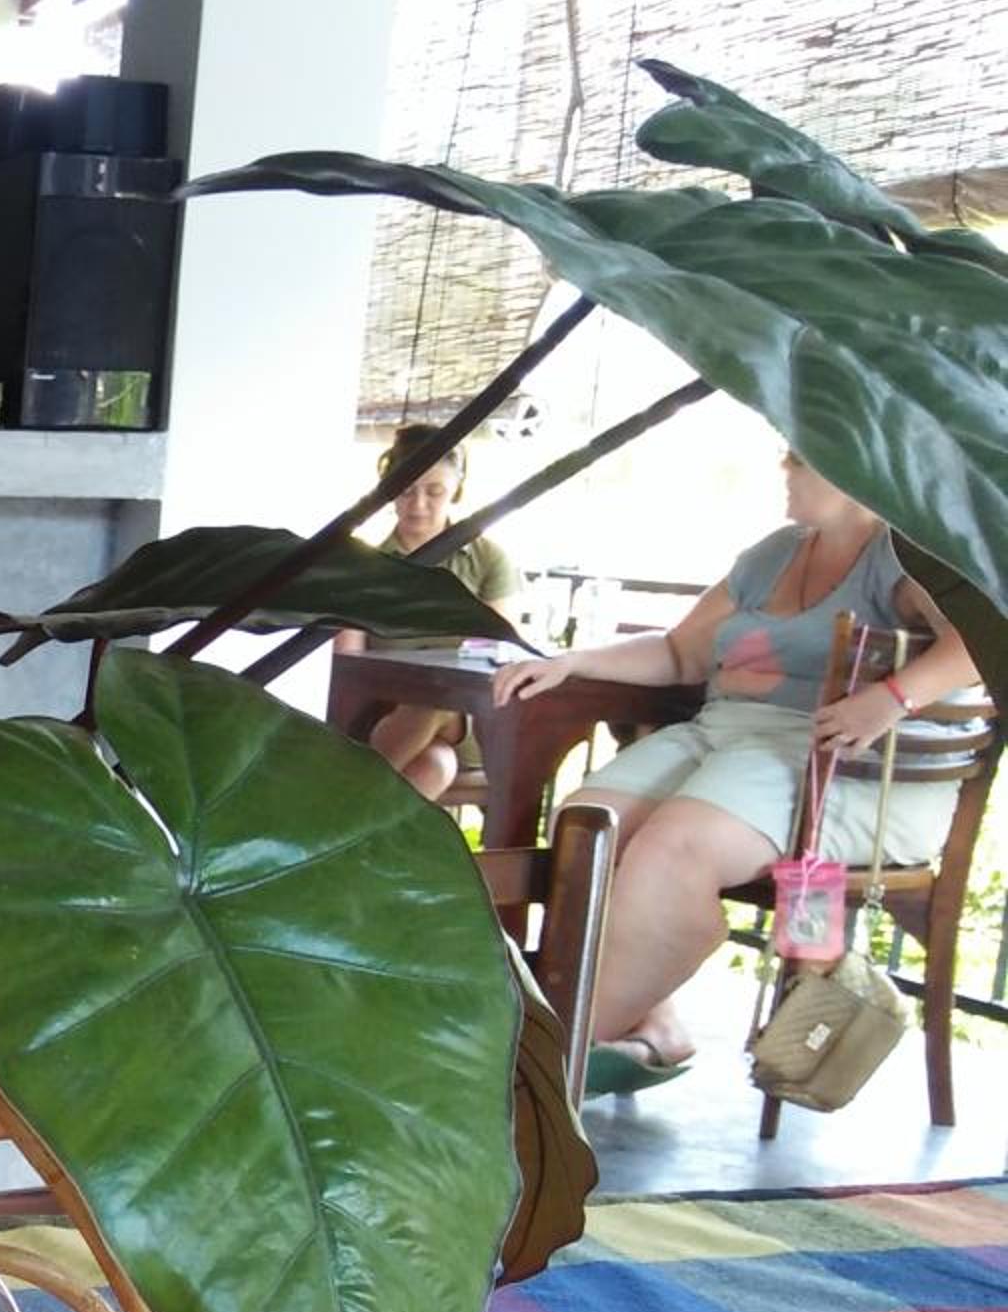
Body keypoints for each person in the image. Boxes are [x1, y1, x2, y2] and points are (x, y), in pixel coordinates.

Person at [491, 453, 979, 1095]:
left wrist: (892, 698)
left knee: (675, 849)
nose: (784, 466)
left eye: (801, 456)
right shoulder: (773, 554)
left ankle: (539, 1065)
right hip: (728, 737)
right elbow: (679, 652)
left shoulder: (905, 556)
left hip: (839, 764)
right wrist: (574, 662)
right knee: (586, 825)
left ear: (851, 466)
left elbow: (984, 639)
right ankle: (651, 1019)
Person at [333, 425, 524, 802]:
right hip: (382, 717)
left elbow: (501, 650)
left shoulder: (487, 559)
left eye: (434, 492)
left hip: (466, 717)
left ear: (456, 488)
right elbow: (347, 661)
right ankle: (361, 827)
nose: (418, 504)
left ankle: (345, 800)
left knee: (431, 700)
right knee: (435, 765)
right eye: (406, 491)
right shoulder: (366, 568)